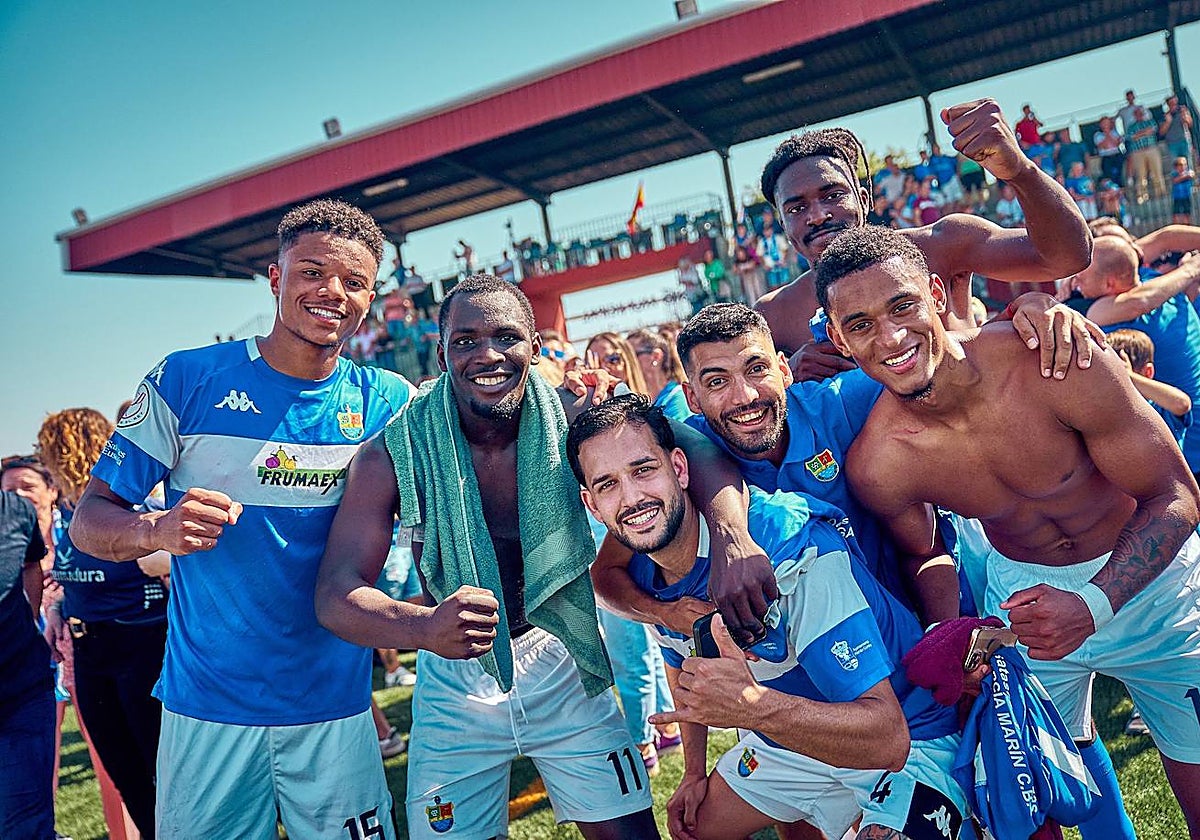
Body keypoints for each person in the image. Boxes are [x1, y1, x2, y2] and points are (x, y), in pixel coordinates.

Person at [814, 224, 1200, 836]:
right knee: (1031, 803)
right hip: (1026, 604)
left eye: (902, 305)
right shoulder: (880, 464)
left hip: (1154, 585)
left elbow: (1175, 495)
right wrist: (950, 629)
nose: (889, 337)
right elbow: (926, 553)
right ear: (837, 338)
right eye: (859, 325)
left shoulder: (1050, 357)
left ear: (937, 294)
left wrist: (1094, 603)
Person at [69, 199, 416, 839]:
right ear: (276, 278)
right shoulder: (186, 378)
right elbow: (89, 521)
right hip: (208, 711)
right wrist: (156, 529)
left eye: (355, 282)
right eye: (312, 272)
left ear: (371, 298)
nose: (332, 292)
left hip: (336, 711)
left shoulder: (388, 401)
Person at [567, 395, 967, 840]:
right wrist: (693, 772)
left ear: (679, 469)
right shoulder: (642, 568)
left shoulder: (790, 547)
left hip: (906, 738)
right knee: (694, 828)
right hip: (788, 745)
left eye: (644, 470)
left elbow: (887, 737)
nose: (632, 497)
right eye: (608, 485)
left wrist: (752, 707)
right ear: (591, 503)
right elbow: (681, 661)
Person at [753, 98, 1092, 356]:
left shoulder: (942, 244)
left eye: (833, 195)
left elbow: (1068, 257)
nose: (817, 215)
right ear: (783, 223)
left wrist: (1019, 170)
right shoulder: (775, 315)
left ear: (866, 197)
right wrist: (786, 380)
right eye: (797, 208)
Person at [37, 408, 169, 839]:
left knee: (159, 770)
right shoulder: (73, 510)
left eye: (46, 448)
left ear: (65, 449)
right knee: (125, 774)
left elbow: (169, 566)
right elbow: (71, 577)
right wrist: (58, 607)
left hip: (143, 643)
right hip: (92, 650)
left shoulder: (130, 504)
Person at [0, 479, 53, 839]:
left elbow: (32, 565)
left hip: (22, 689)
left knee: (26, 826)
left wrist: (29, 620)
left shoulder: (16, 510)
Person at [1106, 328, 1192, 448]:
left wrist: (1129, 377)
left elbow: (1182, 404)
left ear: (1148, 372)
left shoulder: (1160, 407)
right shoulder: (1106, 407)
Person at [626, 328, 691, 421]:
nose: (626, 362)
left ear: (656, 356)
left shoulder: (678, 397)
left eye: (631, 355)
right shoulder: (649, 403)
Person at [1125, 105, 1166, 201]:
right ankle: (1142, 196)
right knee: (1140, 175)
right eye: (1137, 114)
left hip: (1151, 149)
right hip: (1138, 152)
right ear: (1134, 115)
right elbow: (1132, 137)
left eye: (1141, 113)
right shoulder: (1131, 127)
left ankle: (1160, 193)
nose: (1139, 115)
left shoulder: (1150, 122)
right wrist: (1144, 133)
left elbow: (1152, 130)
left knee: (1157, 172)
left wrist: (1139, 134)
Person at [1094, 115, 1126, 186]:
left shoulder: (1115, 132)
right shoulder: (1098, 135)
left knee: (1119, 175)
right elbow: (1104, 146)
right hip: (1106, 158)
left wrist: (1109, 134)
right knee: (1108, 176)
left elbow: (1116, 143)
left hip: (1116, 156)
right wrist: (1106, 134)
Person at [1162, 94, 1195, 162]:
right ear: (1168, 104)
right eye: (1171, 103)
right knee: (1175, 165)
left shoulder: (1183, 111)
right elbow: (1161, 132)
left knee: (1189, 163)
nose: (1174, 105)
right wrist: (1168, 122)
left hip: (1184, 141)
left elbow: (1190, 124)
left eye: (1175, 102)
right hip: (1172, 143)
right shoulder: (1165, 115)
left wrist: (1184, 115)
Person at [1173, 156, 1196, 224]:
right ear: (1176, 166)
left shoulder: (1189, 172)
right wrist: (1185, 176)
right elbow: (1175, 180)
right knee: (1176, 214)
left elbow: (1192, 175)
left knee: (1187, 213)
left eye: (1184, 164)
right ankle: (1175, 229)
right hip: (1177, 197)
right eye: (1180, 164)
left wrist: (1186, 175)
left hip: (1186, 196)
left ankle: (1186, 227)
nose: (1183, 166)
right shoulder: (1174, 174)